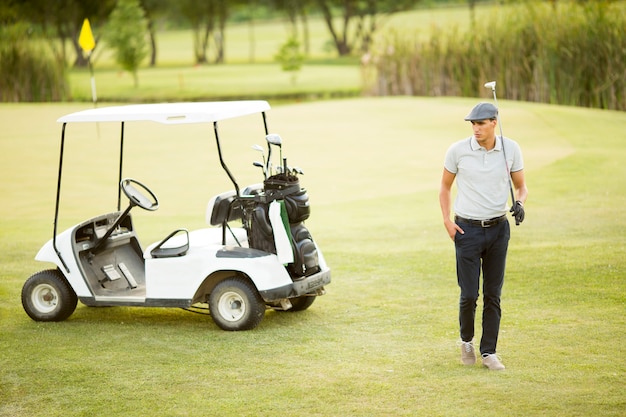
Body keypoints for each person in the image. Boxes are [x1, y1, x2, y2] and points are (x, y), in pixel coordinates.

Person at [438, 102, 528, 371]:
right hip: (466, 230)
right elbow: (444, 187)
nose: (476, 128)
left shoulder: (510, 149)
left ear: (493, 123)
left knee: (493, 294)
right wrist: (446, 221)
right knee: (468, 294)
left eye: (481, 123)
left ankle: (489, 352)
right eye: (473, 124)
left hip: (499, 230)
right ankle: (466, 341)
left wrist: (521, 204)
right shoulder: (458, 151)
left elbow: (521, 187)